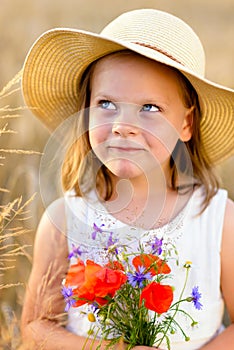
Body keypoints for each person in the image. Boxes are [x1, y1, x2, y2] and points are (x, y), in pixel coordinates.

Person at [20, 8, 234, 350]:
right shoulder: (64, 219)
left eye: (150, 108)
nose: (122, 124)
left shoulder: (217, 220)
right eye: (106, 103)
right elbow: (35, 327)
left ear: (186, 124)